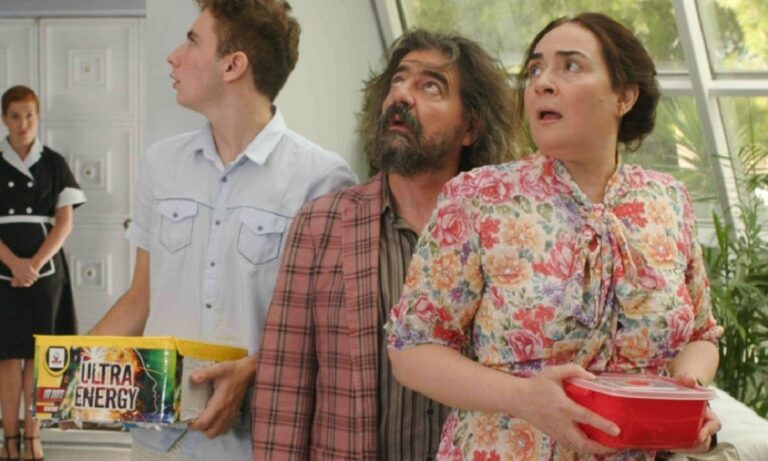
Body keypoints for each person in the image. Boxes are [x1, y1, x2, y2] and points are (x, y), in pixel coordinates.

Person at [386, 13, 723, 461]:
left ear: (624, 96)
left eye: (570, 66)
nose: (542, 83)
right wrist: (524, 399)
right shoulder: (479, 197)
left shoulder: (669, 200)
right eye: (535, 70)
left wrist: (687, 392)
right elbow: (412, 349)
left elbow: (701, 334)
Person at [89, 0, 356, 460]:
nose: (174, 56)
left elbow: (331, 334)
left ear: (233, 65)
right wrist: (73, 371)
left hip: (255, 442)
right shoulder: (160, 164)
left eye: (192, 41)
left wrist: (252, 370)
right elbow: (141, 296)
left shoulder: (322, 179)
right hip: (158, 439)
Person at [251, 29, 517, 460]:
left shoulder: (505, 232)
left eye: (430, 86)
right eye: (398, 80)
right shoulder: (321, 224)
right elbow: (284, 385)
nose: (402, 95)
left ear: (471, 127)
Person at [0, 85, 85, 461]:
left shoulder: (54, 163)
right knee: (6, 356)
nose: (23, 123)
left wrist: (33, 264)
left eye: (29, 115)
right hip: (3, 271)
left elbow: (64, 223)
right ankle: (9, 438)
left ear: (39, 117)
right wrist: (14, 263)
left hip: (46, 273)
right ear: (4, 119)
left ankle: (34, 437)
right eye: (15, 115)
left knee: (40, 354)